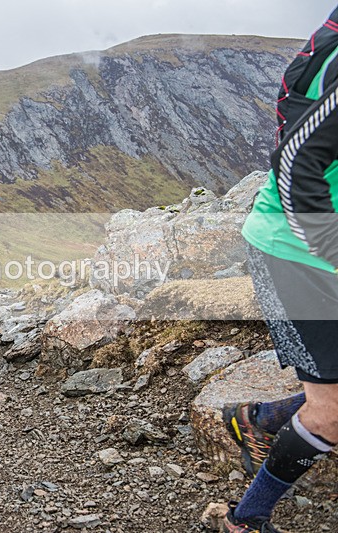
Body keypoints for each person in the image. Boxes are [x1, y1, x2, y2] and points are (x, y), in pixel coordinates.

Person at [220, 7, 338, 531]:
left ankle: (259, 420)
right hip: (294, 251)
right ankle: (245, 520)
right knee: (332, 412)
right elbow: (295, 163)